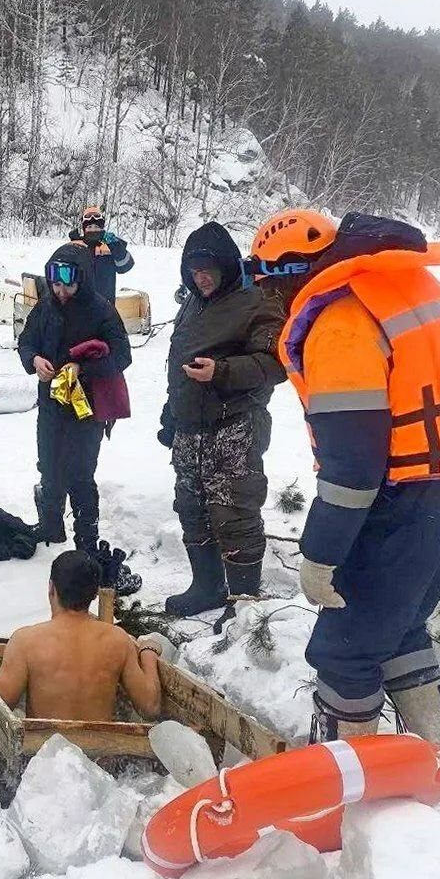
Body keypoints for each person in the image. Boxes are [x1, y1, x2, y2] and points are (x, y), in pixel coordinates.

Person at [248, 208, 440, 796]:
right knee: (394, 630)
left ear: (288, 275)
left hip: (398, 501)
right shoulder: (406, 283)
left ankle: (349, 793)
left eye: (267, 282)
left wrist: (320, 555)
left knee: (346, 651)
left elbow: (353, 468)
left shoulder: (341, 325)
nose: (267, 297)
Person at [159, 222, 286, 615]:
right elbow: (178, 362)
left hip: (234, 426)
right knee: (191, 508)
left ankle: (244, 602)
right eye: (194, 270)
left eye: (209, 269)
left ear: (228, 266)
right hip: (190, 428)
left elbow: (275, 364)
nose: (202, 277)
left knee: (235, 512)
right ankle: (207, 587)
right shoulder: (192, 303)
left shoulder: (256, 303)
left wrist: (222, 371)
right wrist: (171, 412)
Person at [0, 551, 162, 721]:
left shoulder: (26, 641)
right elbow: (150, 708)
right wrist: (148, 653)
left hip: (45, 762)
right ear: (95, 594)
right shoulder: (118, 640)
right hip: (101, 765)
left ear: (51, 589)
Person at [18, 243, 131, 558]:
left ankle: (86, 542)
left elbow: (123, 355)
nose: (61, 290)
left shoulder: (101, 310)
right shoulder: (45, 307)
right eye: (55, 283)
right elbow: (25, 342)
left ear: (82, 279)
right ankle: (50, 529)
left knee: (80, 473)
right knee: (49, 467)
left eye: (68, 283)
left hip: (87, 408)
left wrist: (83, 367)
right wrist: (34, 360)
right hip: (51, 404)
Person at [69, 205, 135, 301]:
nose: (93, 230)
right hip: (79, 305)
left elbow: (125, 266)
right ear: (84, 229)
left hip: (105, 306)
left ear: (102, 228)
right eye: (89, 227)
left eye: (96, 227)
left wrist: (115, 244)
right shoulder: (74, 247)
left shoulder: (110, 246)